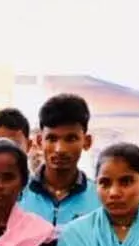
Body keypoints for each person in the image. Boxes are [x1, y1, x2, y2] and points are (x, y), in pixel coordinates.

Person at [20, 94, 101, 228]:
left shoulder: (101, 199)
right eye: (52, 139)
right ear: (40, 141)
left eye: (71, 139)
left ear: (87, 142)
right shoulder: (18, 195)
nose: (60, 149)